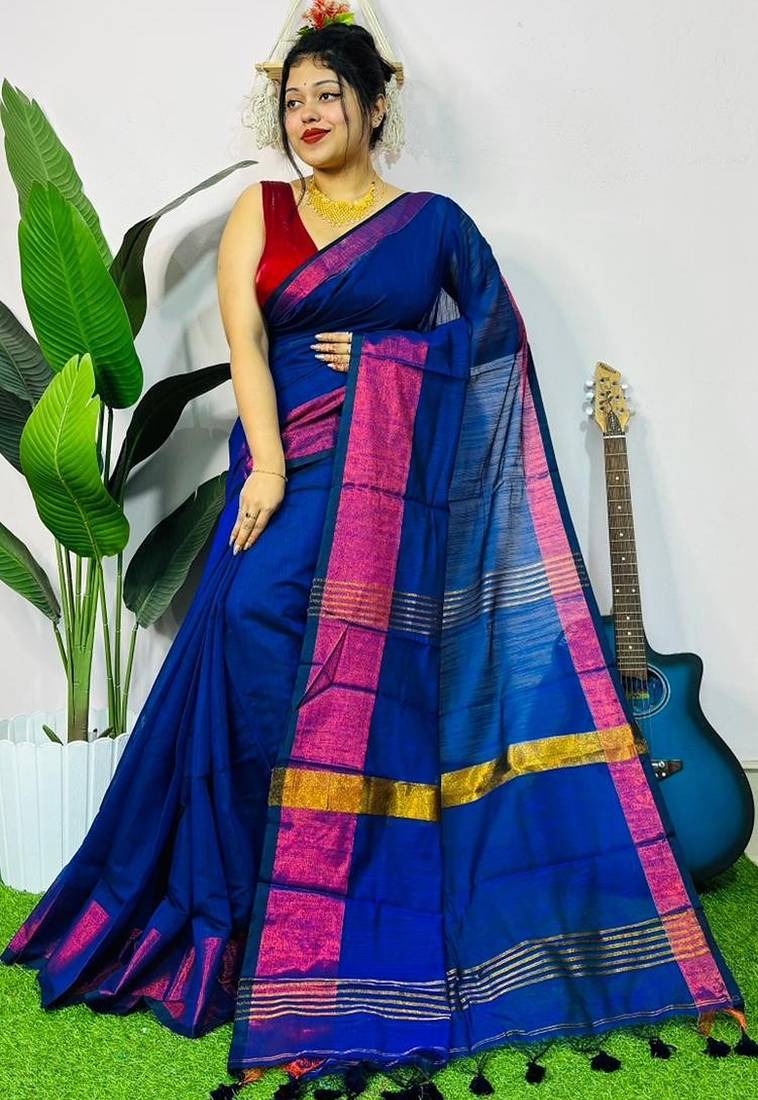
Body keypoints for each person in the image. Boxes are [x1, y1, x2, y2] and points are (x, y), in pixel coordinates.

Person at [1, 19, 753, 1100]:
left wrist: (394, 355)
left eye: (327, 96)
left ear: (374, 106)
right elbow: (245, 341)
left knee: (375, 683)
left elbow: (494, 341)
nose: (307, 116)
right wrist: (265, 468)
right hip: (288, 470)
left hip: (396, 492)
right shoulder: (260, 215)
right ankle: (248, 912)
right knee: (253, 635)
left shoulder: (433, 224)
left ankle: (349, 902)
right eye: (293, 101)